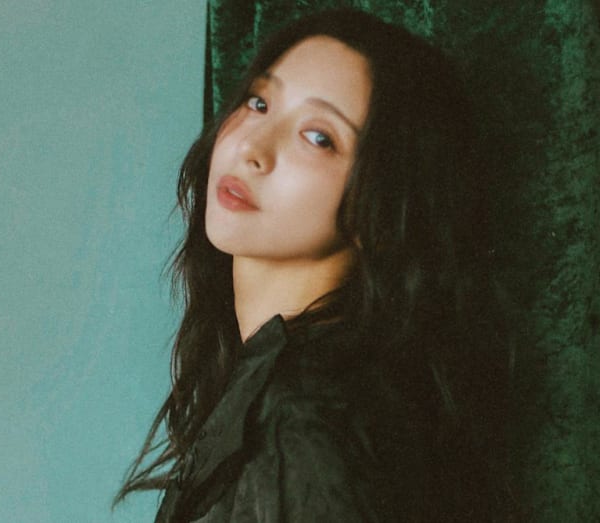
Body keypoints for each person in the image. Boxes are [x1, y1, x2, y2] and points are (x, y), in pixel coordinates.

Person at [116, 8, 510, 522]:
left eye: (319, 136)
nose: (253, 147)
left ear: (382, 206)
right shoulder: (295, 387)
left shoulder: (304, 415)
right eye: (259, 102)